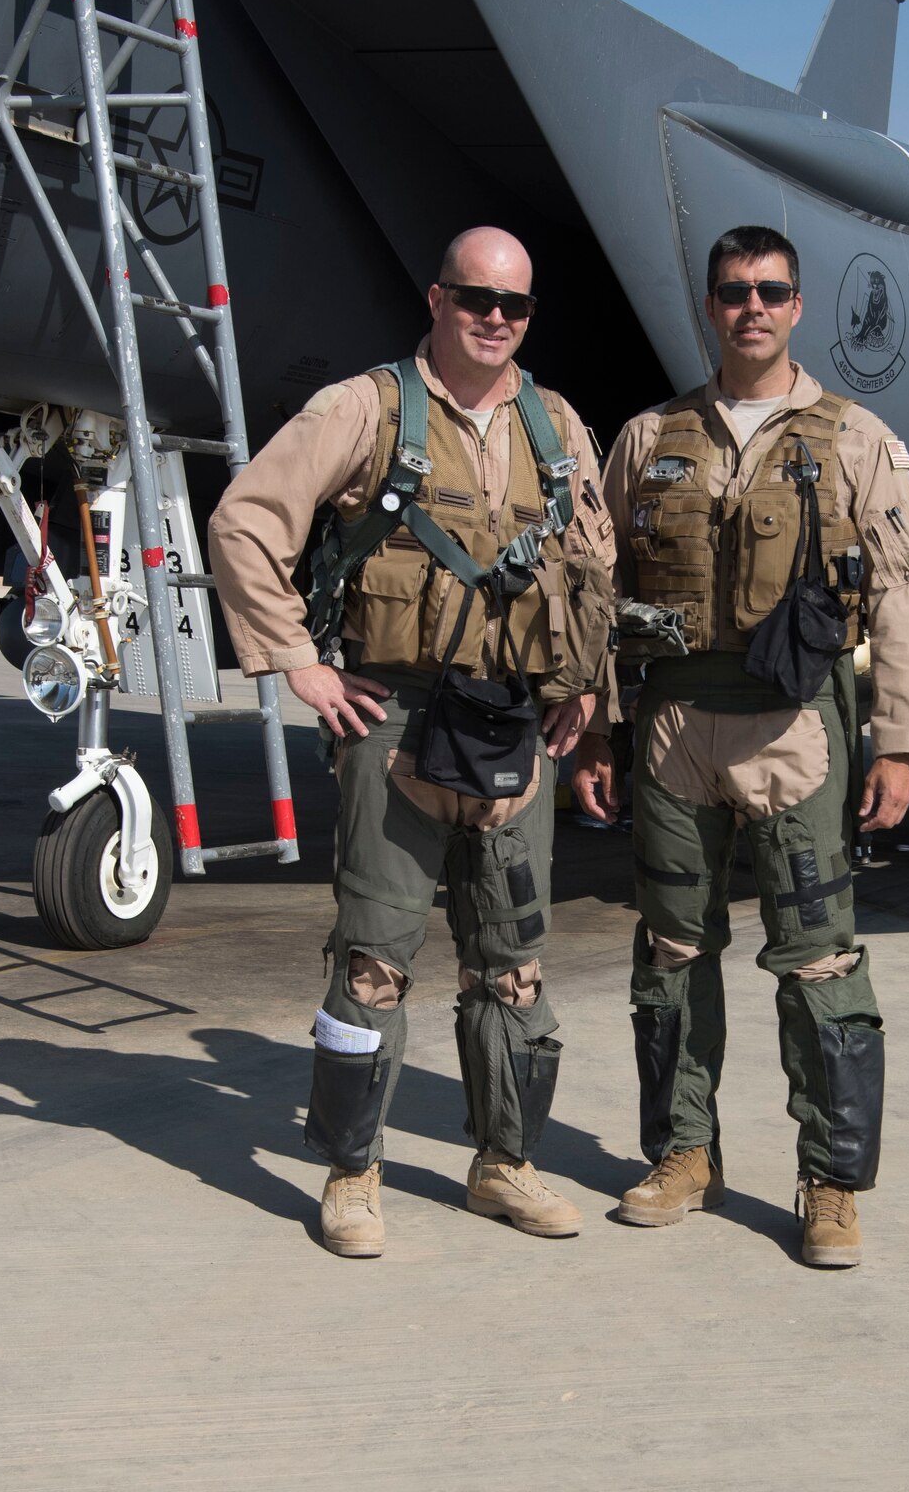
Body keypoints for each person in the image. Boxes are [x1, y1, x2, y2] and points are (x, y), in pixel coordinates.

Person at [209, 227, 616, 1257]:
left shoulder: (557, 422)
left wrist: (590, 692)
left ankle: (504, 1163)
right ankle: (353, 1173)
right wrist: (295, 658)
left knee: (513, 964)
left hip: (518, 722)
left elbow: (595, 567)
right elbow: (247, 519)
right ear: (436, 298)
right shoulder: (364, 408)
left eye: (514, 305)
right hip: (393, 716)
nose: (495, 317)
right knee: (373, 961)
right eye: (476, 296)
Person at [573, 224, 909, 1267]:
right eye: (733, 289)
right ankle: (684, 1151)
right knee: (671, 949)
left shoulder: (854, 437)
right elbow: (597, 594)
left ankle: (830, 1181)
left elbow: (906, 589)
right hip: (674, 726)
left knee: (820, 958)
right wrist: (599, 723)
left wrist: (906, 743)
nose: (752, 305)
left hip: (800, 730)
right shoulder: (649, 436)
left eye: (771, 289)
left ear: (796, 304)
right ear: (710, 303)